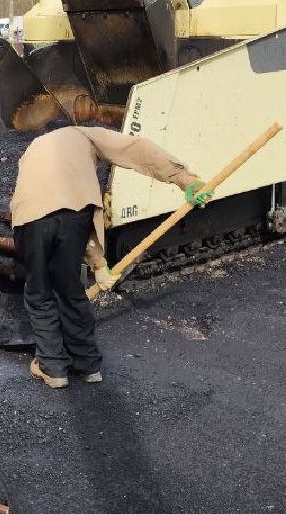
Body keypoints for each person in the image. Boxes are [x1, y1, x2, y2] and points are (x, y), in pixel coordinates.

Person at [10, 126, 209, 389]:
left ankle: (53, 368)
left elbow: (35, 201)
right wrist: (184, 178)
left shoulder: (32, 149)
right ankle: (88, 365)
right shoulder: (83, 135)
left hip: (29, 218)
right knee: (71, 289)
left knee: (39, 293)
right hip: (75, 214)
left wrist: (100, 263)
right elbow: (135, 148)